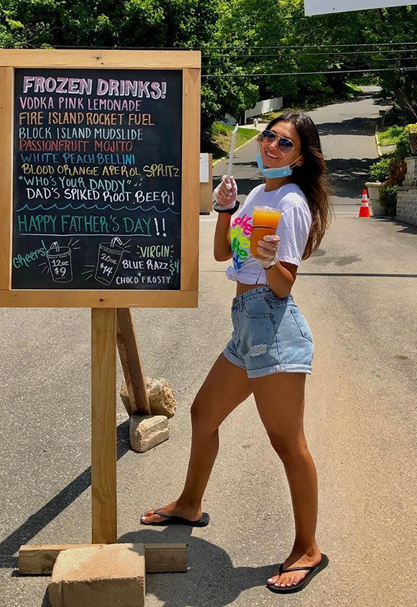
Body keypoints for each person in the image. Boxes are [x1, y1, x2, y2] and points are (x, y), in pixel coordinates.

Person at [139, 112, 331, 594]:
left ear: (301, 155)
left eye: (284, 143)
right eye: (268, 136)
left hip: (273, 325)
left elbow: (284, 286)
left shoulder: (291, 202)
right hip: (246, 324)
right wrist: (226, 209)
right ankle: (189, 504)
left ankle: (308, 548)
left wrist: (270, 262)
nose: (270, 146)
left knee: (288, 443)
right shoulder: (259, 193)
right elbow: (225, 255)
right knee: (204, 413)